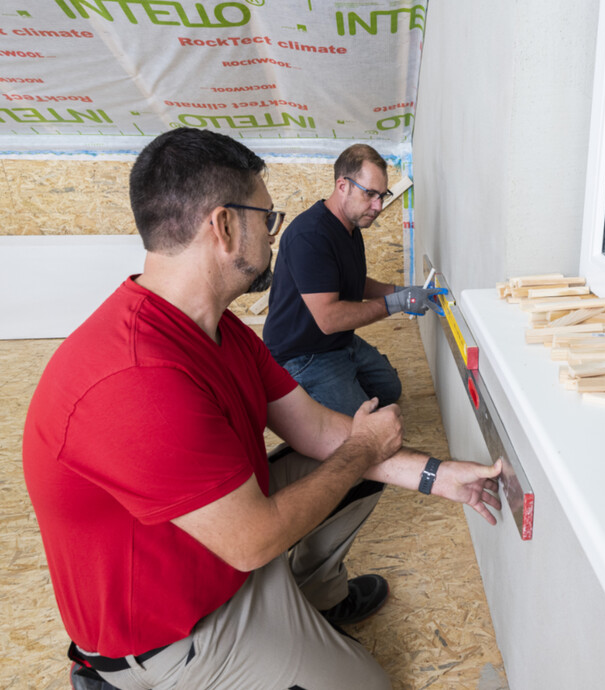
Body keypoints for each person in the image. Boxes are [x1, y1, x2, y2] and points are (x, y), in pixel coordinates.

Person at [22, 127, 502, 690]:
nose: (273, 237)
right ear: (224, 226)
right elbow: (253, 540)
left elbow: (319, 427)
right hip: (179, 632)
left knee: (364, 471)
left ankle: (315, 601)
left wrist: (439, 477)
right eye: (267, 220)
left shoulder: (219, 329)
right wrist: (365, 448)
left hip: (225, 558)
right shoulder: (135, 381)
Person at [262, 143, 445, 416]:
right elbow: (329, 319)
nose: (378, 206)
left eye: (382, 196)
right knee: (363, 427)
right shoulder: (310, 236)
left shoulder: (349, 227)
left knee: (389, 391)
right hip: (303, 354)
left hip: (339, 342)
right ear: (342, 186)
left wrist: (403, 291)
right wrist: (398, 302)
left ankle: (340, 384)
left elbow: (352, 282)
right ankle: (300, 397)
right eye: (370, 194)